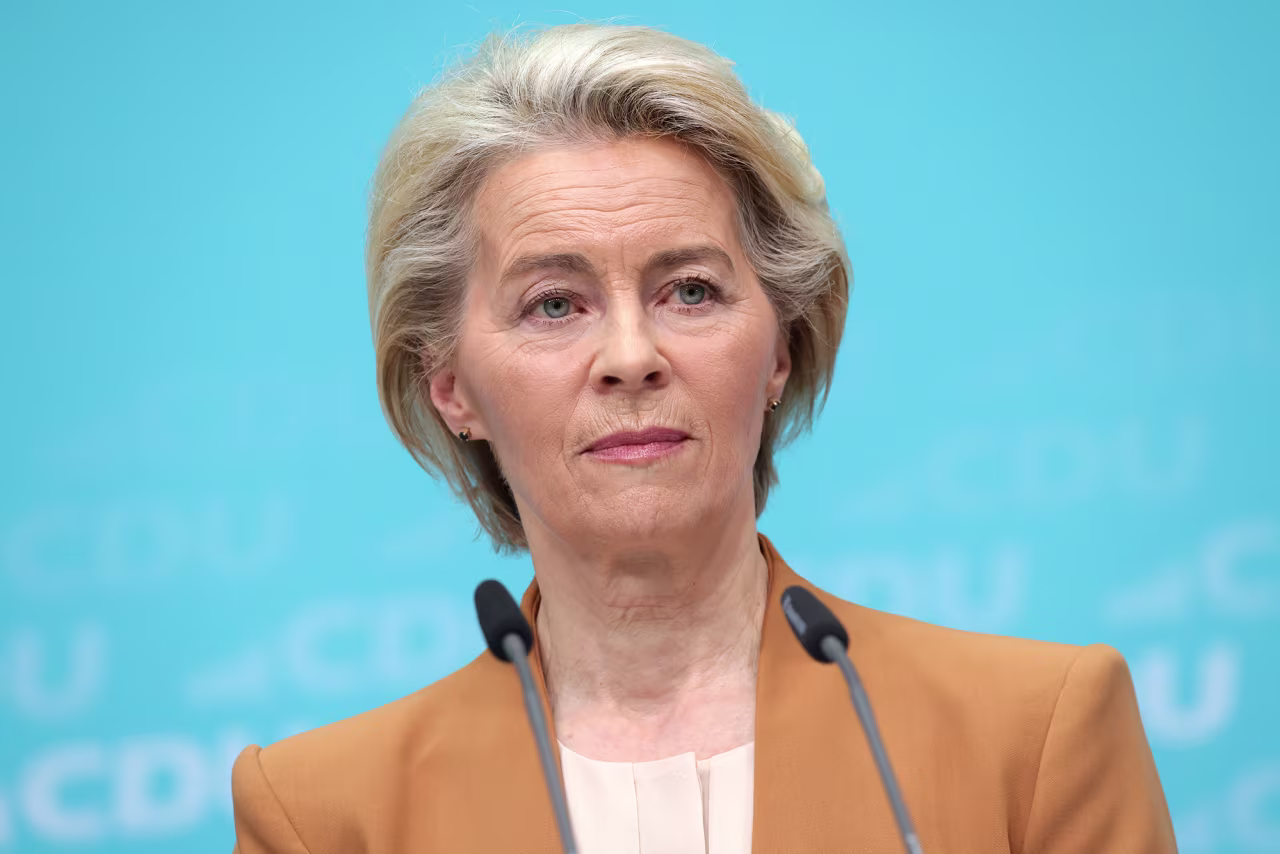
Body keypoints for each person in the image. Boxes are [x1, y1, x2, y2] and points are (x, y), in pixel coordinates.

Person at [230, 23, 1177, 854]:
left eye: (691, 290)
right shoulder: (326, 816)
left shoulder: (1033, 734)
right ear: (451, 388)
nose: (631, 357)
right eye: (554, 304)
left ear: (779, 350)